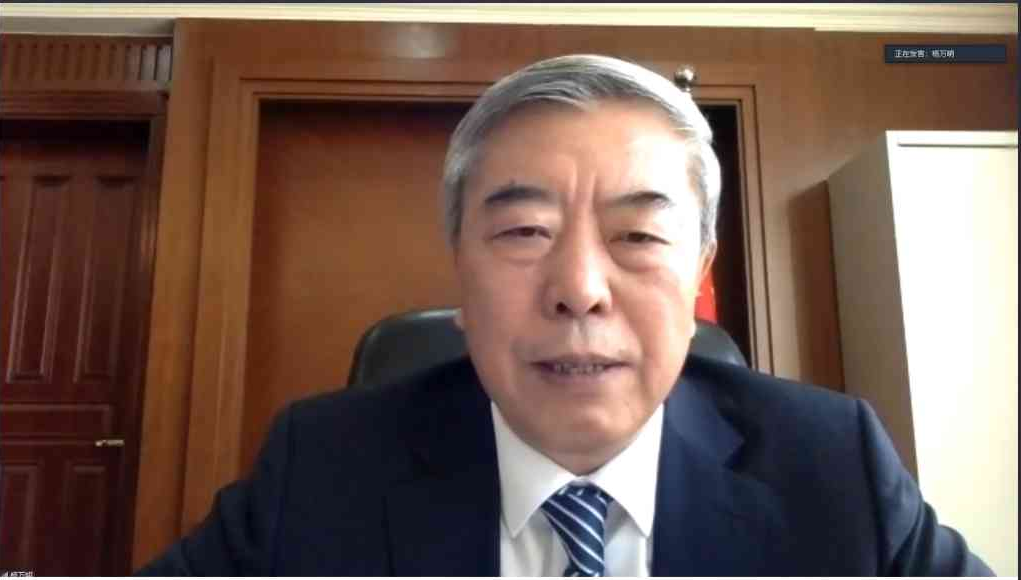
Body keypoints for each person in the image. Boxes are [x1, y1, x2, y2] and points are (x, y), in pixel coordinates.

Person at [138, 54, 992, 576]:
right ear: (461, 270)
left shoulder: (831, 465)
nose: (579, 288)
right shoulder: (323, 469)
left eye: (638, 235)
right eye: (524, 231)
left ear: (698, 273)